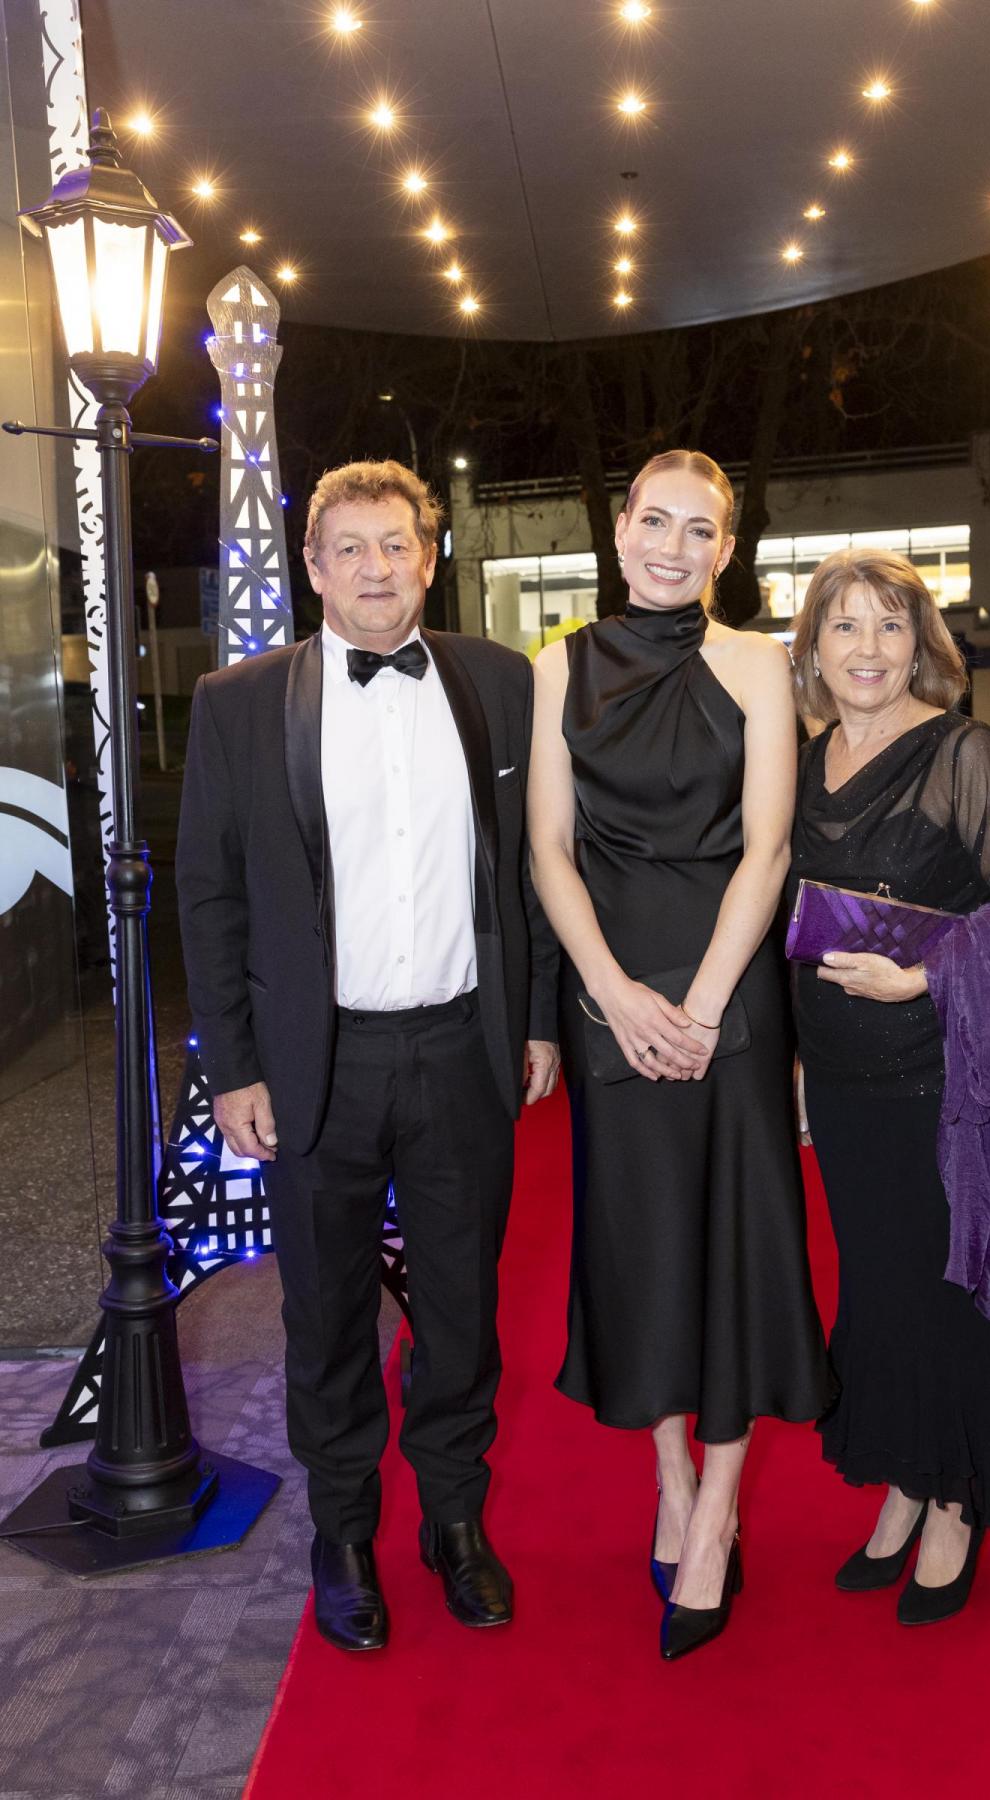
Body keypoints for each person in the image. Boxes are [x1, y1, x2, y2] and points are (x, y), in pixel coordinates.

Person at [176, 459, 560, 1653]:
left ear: (429, 558)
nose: (376, 568)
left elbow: (534, 866)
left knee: (461, 1310)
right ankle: (342, 1534)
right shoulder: (238, 703)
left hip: (460, 1048)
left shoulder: (500, 682)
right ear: (313, 566)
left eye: (396, 544)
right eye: (349, 547)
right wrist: (233, 1067)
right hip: (312, 1065)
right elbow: (209, 894)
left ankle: (456, 1523)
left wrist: (539, 1017)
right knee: (328, 1315)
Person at [528, 449, 832, 1662]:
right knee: (640, 1242)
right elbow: (548, 851)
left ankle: (716, 1516)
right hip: (611, 990)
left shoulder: (757, 664)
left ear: (725, 549)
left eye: (697, 529)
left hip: (730, 988)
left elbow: (770, 850)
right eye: (654, 522)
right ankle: (670, 1481)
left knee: (740, 1242)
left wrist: (701, 1008)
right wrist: (611, 997)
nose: (671, 546)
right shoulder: (558, 667)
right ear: (619, 532)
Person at [788, 548, 990, 1625]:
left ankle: (953, 1500)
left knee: (945, 1286)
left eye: (890, 626)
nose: (867, 648)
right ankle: (903, 1476)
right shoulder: (802, 762)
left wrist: (924, 975)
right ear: (813, 648)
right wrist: (796, 1061)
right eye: (845, 625)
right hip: (838, 1075)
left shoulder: (960, 751)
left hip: (936, 1077)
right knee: (876, 1287)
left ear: (920, 646)